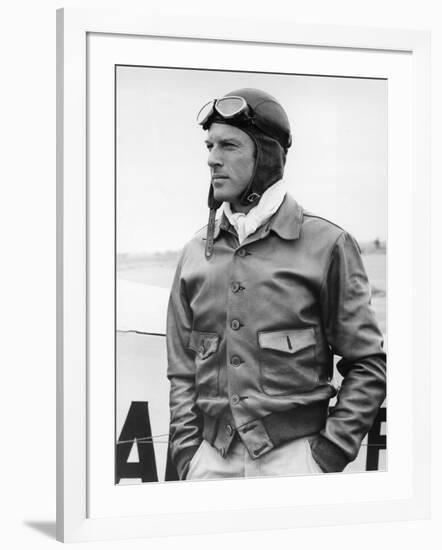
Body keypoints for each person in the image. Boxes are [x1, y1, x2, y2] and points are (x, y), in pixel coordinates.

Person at [166, 88, 386, 481]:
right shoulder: (195, 252)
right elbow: (182, 370)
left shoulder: (328, 245)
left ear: (265, 156)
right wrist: (187, 456)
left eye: (229, 145)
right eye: (210, 145)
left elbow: (367, 363)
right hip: (208, 464)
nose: (212, 158)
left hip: (296, 463)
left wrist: (327, 456)